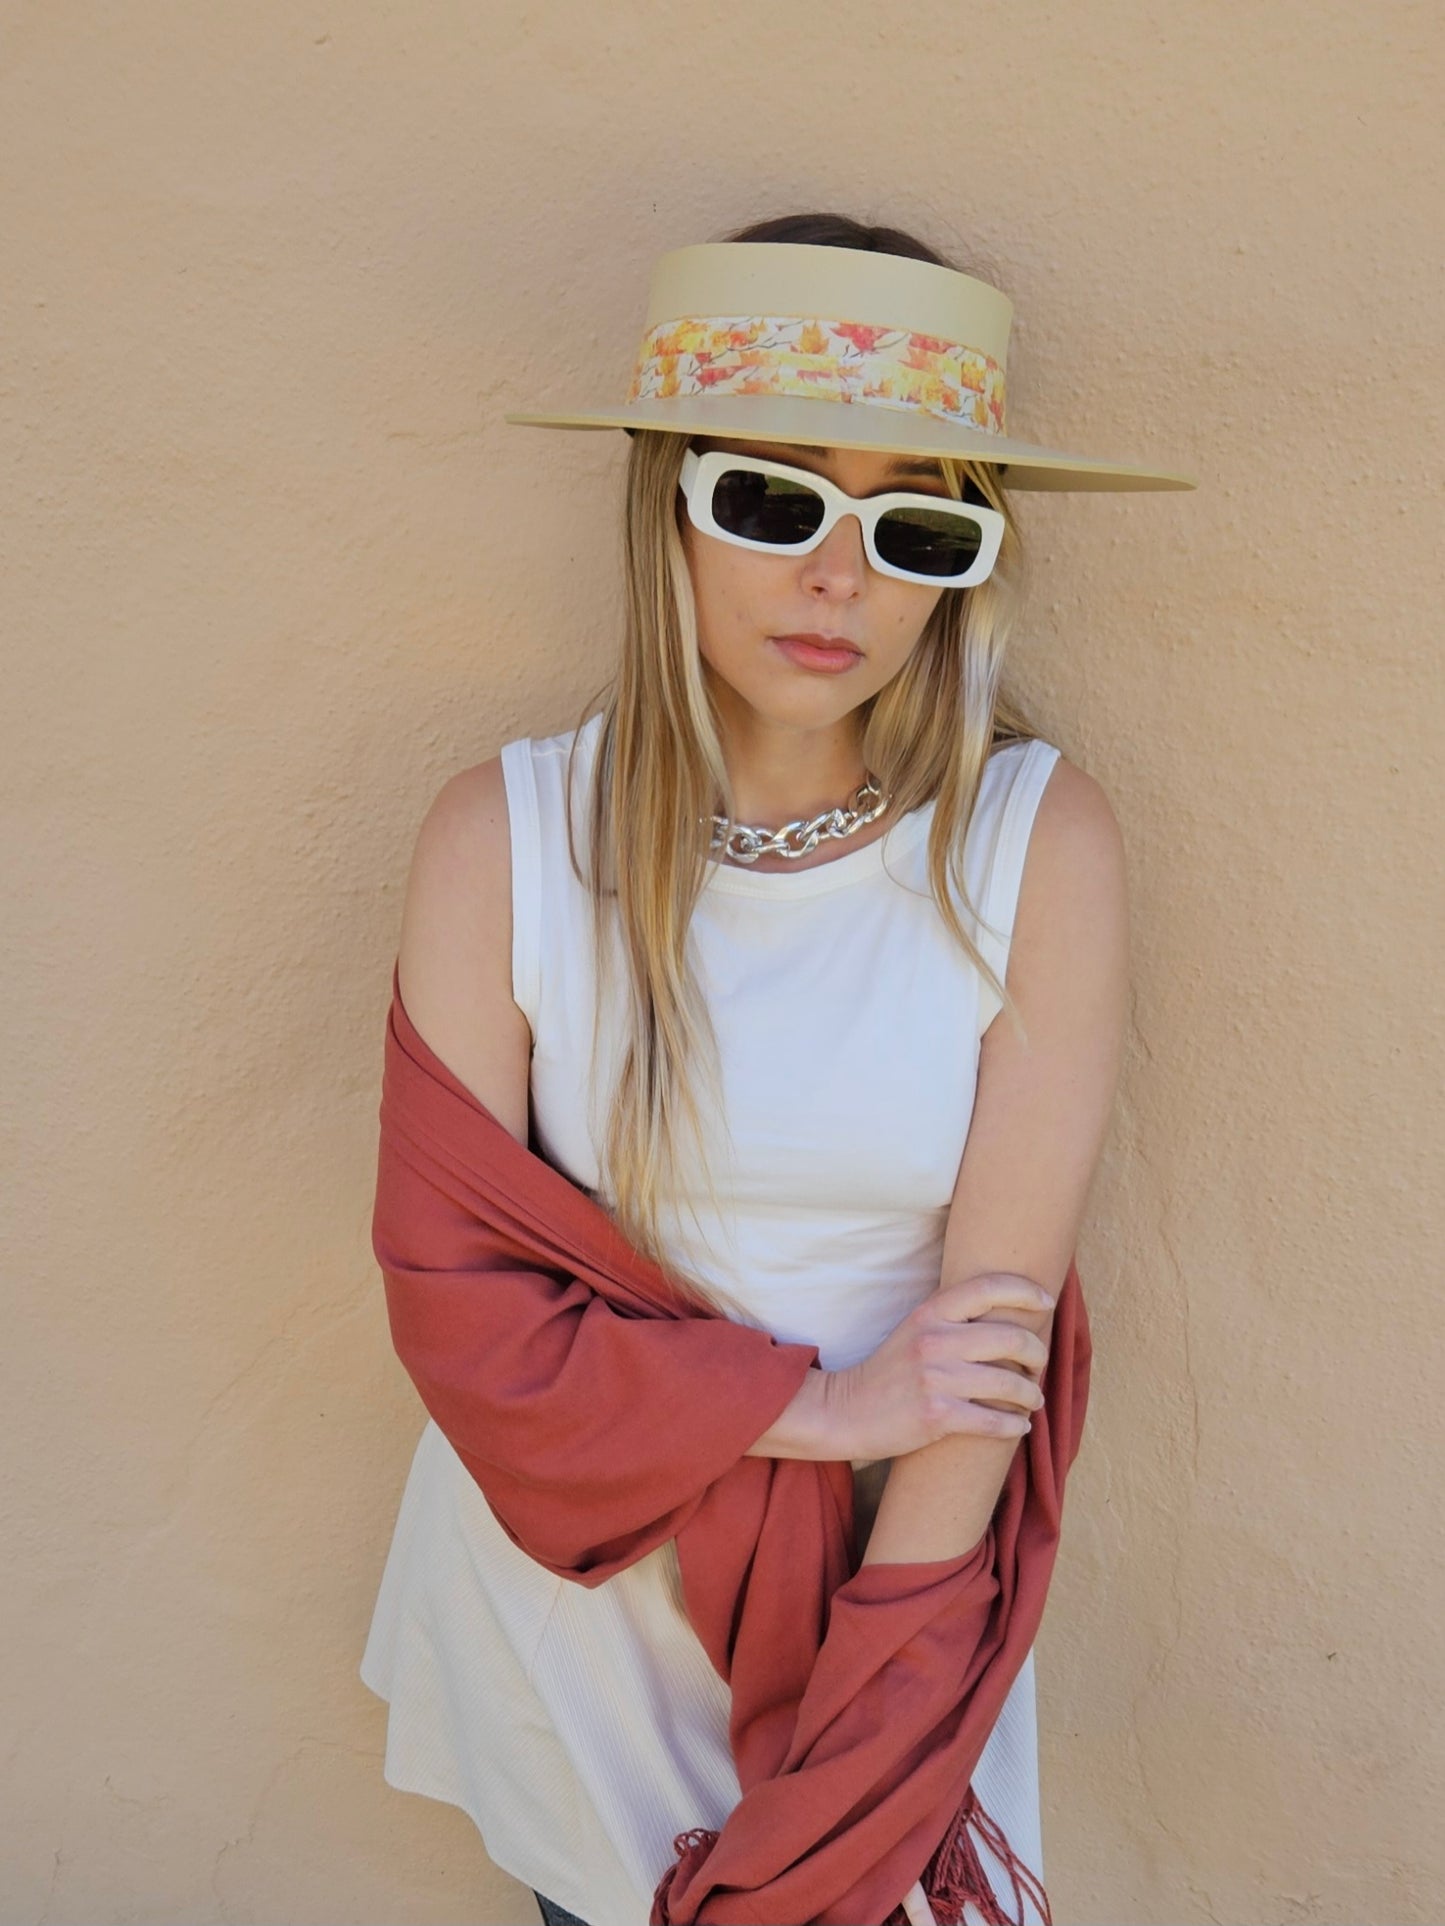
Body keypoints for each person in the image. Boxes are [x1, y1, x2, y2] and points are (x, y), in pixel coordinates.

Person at [359, 210, 1195, 1926]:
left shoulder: (1034, 848)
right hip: (572, 1586)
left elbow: (987, 1346)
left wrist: (869, 1747)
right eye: (771, 501)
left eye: (914, 526)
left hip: (891, 1588)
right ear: (662, 505)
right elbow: (459, 1302)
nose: (841, 577)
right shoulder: (503, 842)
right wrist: (822, 1404)